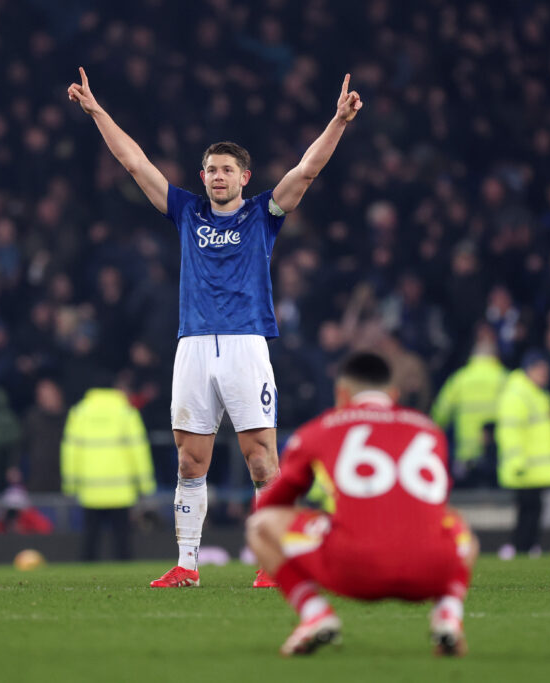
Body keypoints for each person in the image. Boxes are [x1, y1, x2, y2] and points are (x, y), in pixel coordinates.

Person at [67, 67, 363, 586]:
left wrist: (338, 121)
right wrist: (97, 113)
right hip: (194, 346)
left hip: (247, 344)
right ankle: (187, 565)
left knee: (260, 461)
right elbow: (134, 163)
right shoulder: (187, 212)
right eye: (210, 169)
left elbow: (306, 171)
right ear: (202, 177)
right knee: (189, 460)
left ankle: (272, 563)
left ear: (244, 177)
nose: (217, 176)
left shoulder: (264, 214)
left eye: (226, 169)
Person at [246, 352, 478, 657]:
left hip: (354, 569)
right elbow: (433, 505)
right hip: (431, 571)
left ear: (341, 393)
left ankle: (316, 614)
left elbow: (271, 507)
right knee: (458, 525)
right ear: (394, 395)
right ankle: (448, 615)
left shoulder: (319, 429)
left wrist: (324, 518)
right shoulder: (429, 430)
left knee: (259, 526)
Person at [61, 384, 156, 561]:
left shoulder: (79, 413)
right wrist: (145, 485)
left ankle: (85, 583)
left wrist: (70, 485)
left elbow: (71, 451)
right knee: (123, 543)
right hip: (121, 491)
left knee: (89, 543)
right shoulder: (127, 412)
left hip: (90, 490)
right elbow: (139, 450)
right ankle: (128, 582)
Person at [494, 349, 550, 557]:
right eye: (541, 370)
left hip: (535, 467)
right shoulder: (518, 394)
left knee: (533, 509)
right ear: (529, 370)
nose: (545, 374)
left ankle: (527, 545)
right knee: (528, 509)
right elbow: (510, 431)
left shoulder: (536, 392)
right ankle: (520, 546)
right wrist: (517, 462)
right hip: (526, 467)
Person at [430, 323, 507, 487]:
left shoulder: (459, 379)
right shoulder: (505, 379)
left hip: (466, 456)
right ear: (495, 356)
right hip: (498, 454)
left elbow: (439, 416)